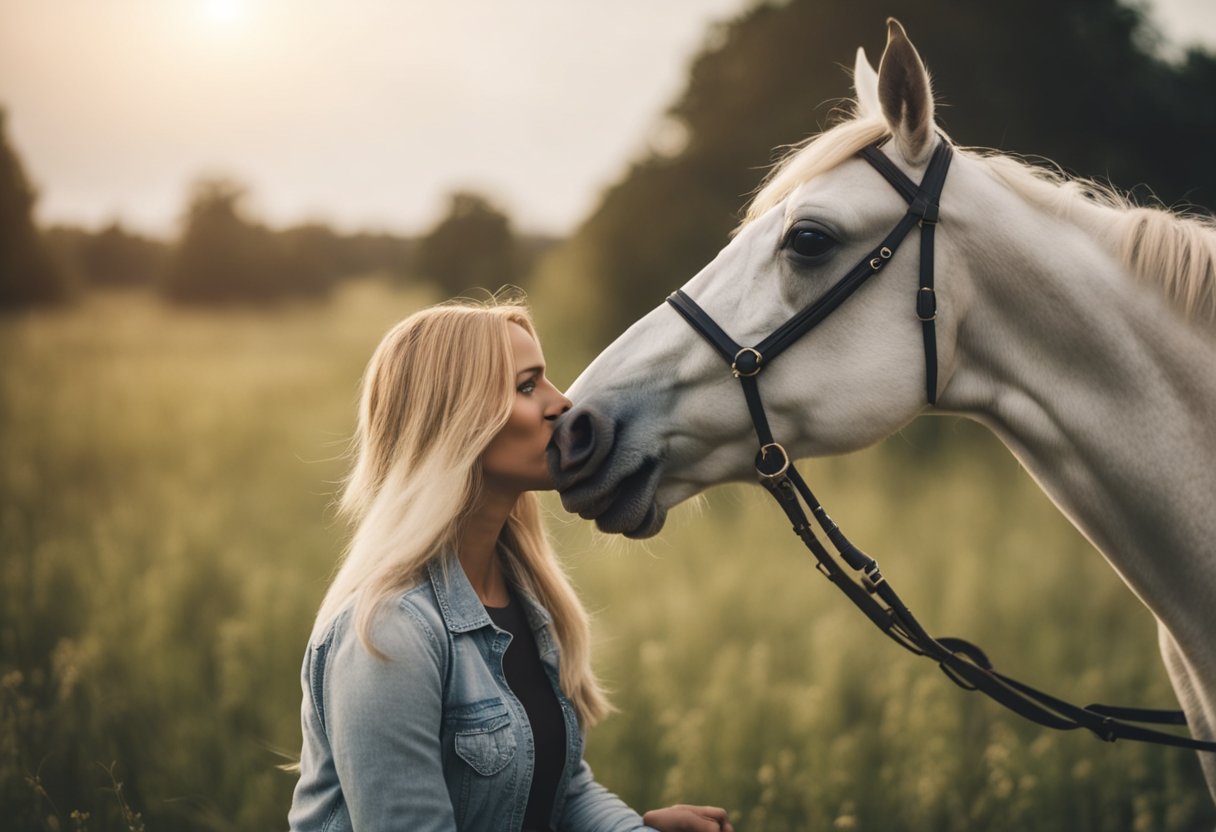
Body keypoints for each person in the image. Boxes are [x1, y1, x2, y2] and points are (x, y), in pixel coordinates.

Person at [287, 298, 733, 832]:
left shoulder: (524, 595)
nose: (561, 402)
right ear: (455, 418)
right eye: (527, 386)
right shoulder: (389, 635)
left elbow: (561, 790)